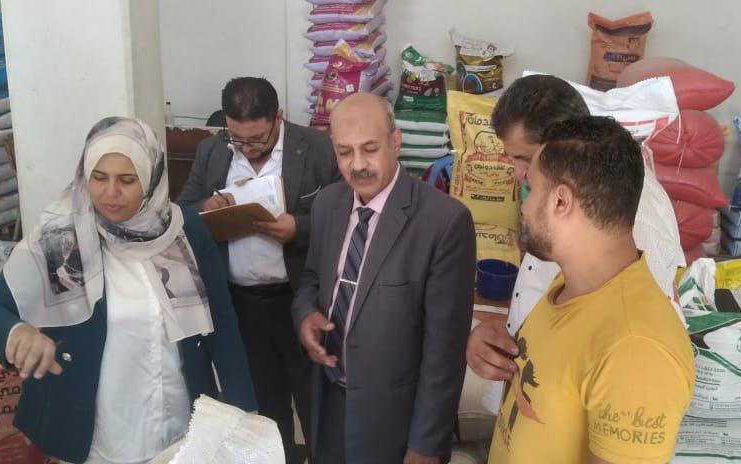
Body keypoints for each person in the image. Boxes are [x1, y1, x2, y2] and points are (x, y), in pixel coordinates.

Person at [0, 117, 258, 464]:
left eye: (126, 180)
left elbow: (222, 324)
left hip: (180, 425)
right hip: (99, 435)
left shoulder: (185, 231)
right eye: (99, 178)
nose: (110, 193)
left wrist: (243, 413)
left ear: (151, 179)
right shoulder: (63, 240)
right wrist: (16, 332)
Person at [487, 115, 695, 463]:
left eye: (530, 189)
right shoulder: (571, 284)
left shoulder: (636, 349)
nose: (523, 207)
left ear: (560, 202)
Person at [466, 74, 686, 386]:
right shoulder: (558, 199)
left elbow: (623, 345)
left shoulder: (637, 219)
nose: (518, 173)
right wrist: (502, 333)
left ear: (567, 144)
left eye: (525, 159)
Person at [292, 93, 476, 464]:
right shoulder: (328, 204)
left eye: (370, 149)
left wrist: (426, 444)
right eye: (345, 152)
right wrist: (305, 314)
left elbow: (444, 351)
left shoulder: (443, 222)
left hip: (395, 423)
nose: (358, 165)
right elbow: (312, 278)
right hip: (328, 406)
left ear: (395, 142)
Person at [175, 76, 340, 463]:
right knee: (265, 407)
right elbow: (182, 211)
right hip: (242, 304)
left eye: (257, 139)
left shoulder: (316, 148)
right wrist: (204, 209)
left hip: (301, 300)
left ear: (278, 118)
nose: (247, 149)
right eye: (238, 139)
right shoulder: (212, 151)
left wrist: (298, 228)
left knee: (316, 401)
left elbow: (344, 214)